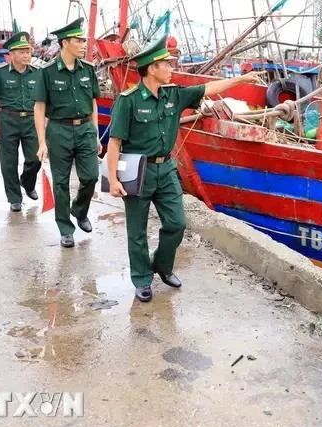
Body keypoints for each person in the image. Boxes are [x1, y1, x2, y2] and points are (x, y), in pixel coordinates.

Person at [105, 35, 261, 302]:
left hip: (165, 170)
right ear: (151, 69)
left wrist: (240, 80)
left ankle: (162, 267)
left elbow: (208, 89)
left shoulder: (173, 95)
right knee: (137, 231)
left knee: (177, 223)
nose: (170, 68)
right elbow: (114, 142)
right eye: (166, 64)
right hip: (136, 170)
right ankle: (142, 279)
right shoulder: (128, 100)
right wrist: (113, 179)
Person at [34, 18, 101, 248]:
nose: (83, 44)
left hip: (84, 129)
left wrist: (95, 132)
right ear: (64, 44)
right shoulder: (48, 72)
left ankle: (79, 210)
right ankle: (65, 228)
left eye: (84, 40)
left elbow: (92, 102)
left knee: (91, 176)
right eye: (78, 40)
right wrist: (42, 142)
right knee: (61, 182)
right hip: (58, 130)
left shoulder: (88, 70)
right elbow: (39, 107)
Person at [0, 32, 42, 212]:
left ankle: (27, 182)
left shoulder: (38, 73)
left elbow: (43, 101)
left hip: (31, 120)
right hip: (8, 120)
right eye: (22, 52)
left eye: (28, 51)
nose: (27, 55)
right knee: (8, 162)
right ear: (12, 54)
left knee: (36, 158)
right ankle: (14, 198)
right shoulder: (0, 73)